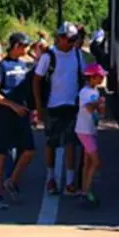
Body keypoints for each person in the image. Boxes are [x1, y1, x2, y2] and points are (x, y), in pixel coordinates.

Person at [33, 21, 86, 196]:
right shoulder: (49, 56)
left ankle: (70, 182)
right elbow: (37, 80)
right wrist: (39, 106)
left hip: (72, 106)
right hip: (52, 106)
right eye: (68, 39)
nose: (71, 43)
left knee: (71, 143)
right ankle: (50, 179)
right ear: (60, 38)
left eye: (73, 39)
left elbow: (83, 78)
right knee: (51, 143)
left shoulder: (78, 55)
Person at [0, 31, 36, 209]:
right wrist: (10, 105)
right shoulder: (3, 66)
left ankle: (12, 181)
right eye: (25, 46)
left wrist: (31, 109)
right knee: (2, 154)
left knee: (29, 150)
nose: (27, 49)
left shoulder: (24, 65)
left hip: (22, 115)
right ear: (16, 46)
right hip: (5, 116)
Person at [75, 63, 107, 207]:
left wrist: (100, 107)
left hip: (90, 130)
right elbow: (88, 108)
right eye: (99, 77)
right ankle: (86, 192)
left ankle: (84, 189)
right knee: (95, 162)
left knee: (88, 162)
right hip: (84, 131)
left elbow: (98, 112)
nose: (102, 79)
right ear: (92, 78)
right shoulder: (85, 92)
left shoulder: (94, 91)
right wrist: (98, 103)